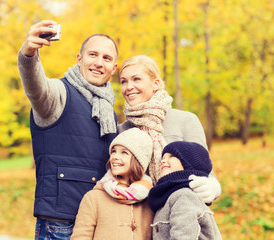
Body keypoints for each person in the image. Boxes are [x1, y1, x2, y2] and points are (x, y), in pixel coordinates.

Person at [17, 20, 119, 240]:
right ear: (79, 59)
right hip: (61, 223)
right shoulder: (58, 94)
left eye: (106, 58)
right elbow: (36, 87)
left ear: (114, 68)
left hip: (99, 222)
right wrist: (28, 55)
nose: (99, 63)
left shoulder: (108, 110)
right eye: (93, 55)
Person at [118, 55, 221, 203]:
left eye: (136, 79)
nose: (128, 87)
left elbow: (206, 171)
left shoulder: (186, 120)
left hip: (179, 211)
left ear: (156, 83)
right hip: (136, 218)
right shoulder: (122, 131)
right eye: (123, 81)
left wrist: (212, 187)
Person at [71, 128, 154, 240]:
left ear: (139, 161)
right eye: (113, 151)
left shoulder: (150, 200)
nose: (114, 157)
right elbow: (80, 237)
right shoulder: (93, 198)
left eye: (124, 152)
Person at [148, 141, 222, 239]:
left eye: (171, 156)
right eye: (163, 158)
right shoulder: (170, 197)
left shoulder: (184, 196)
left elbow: (183, 235)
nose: (163, 161)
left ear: (188, 163)